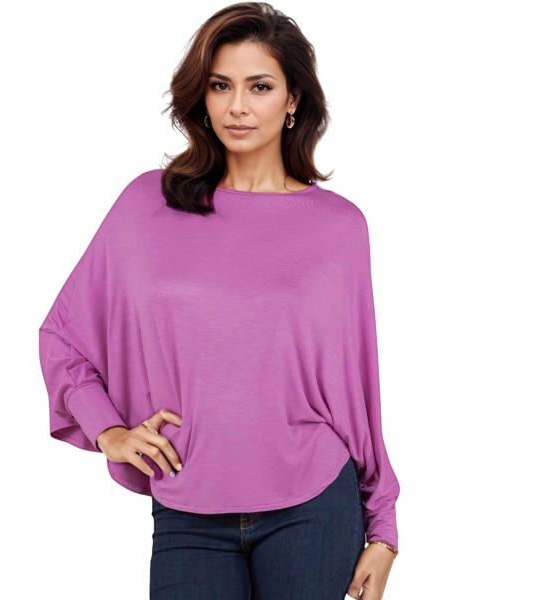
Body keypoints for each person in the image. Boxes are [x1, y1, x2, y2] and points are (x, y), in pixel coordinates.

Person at [38, 2, 401, 598]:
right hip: (187, 502)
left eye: (260, 86)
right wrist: (109, 431)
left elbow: (357, 388)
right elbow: (64, 335)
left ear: (293, 100)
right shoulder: (146, 205)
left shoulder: (339, 228)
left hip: (314, 503)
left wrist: (382, 528)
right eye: (220, 85)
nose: (237, 106)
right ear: (201, 98)